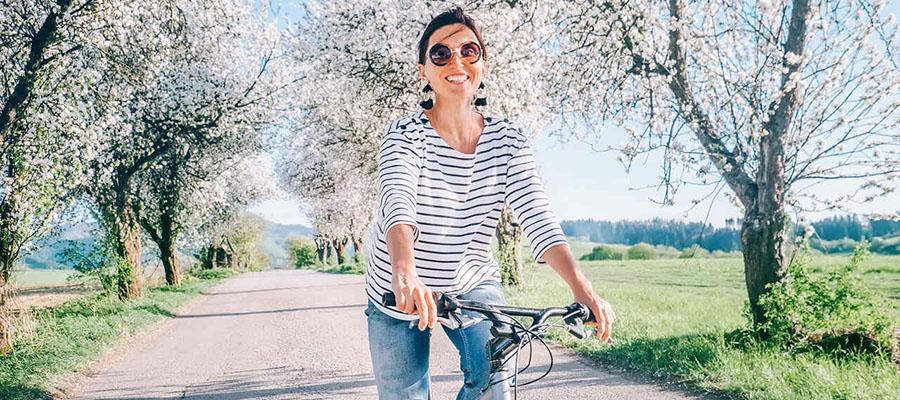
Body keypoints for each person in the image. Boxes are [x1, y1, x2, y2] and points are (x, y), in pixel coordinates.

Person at [364, 7, 616, 400]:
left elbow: (536, 215)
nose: (457, 61)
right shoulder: (404, 135)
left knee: (497, 377)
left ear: (482, 63)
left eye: (469, 50)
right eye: (441, 54)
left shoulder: (508, 141)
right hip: (399, 290)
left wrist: (581, 288)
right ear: (423, 71)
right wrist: (404, 272)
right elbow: (398, 203)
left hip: (471, 281)